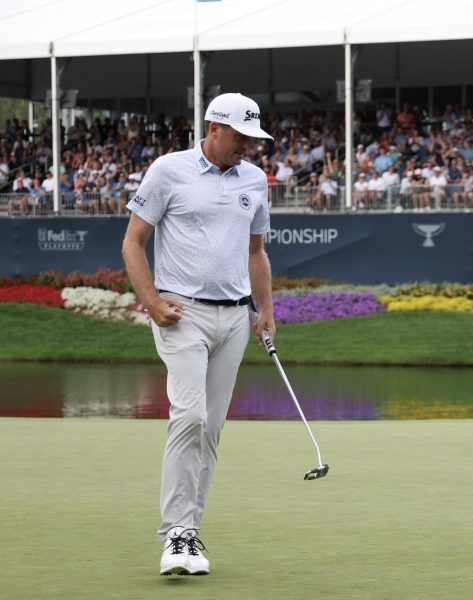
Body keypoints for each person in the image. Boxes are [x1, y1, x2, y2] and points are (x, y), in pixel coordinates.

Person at [121, 92, 276, 575]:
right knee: (188, 415)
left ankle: (190, 532)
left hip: (233, 320)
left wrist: (266, 309)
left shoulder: (254, 179)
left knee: (210, 428)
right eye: (240, 136)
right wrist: (150, 301)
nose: (248, 146)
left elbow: (256, 252)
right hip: (181, 313)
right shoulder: (168, 170)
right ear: (213, 127)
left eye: (253, 138)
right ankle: (177, 534)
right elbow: (133, 241)